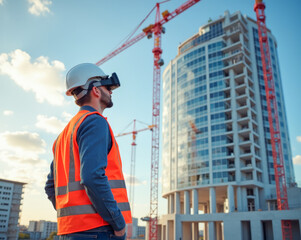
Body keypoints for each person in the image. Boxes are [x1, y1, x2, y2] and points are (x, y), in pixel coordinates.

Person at [45, 63, 132, 239]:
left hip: (70, 231)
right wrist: (118, 223)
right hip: (99, 230)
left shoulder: (64, 135)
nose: (111, 91)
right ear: (96, 91)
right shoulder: (94, 121)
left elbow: (50, 187)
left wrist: (75, 219)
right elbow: (92, 177)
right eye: (107, 87)